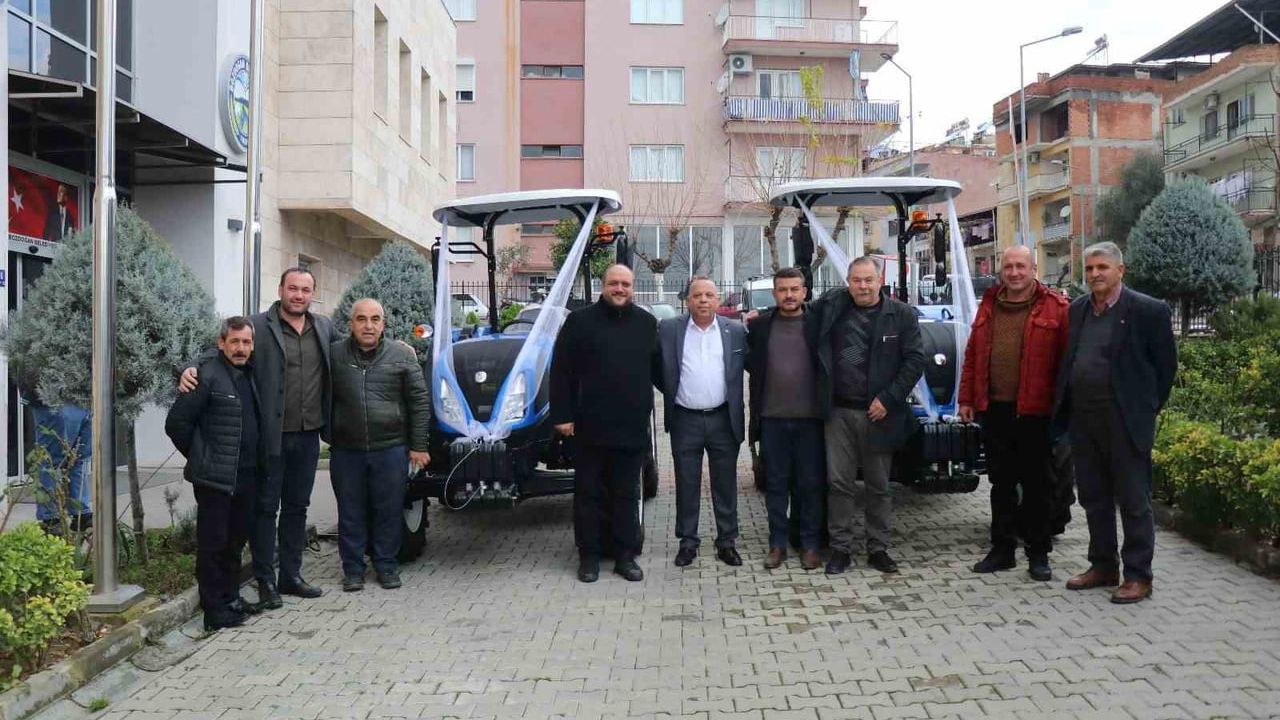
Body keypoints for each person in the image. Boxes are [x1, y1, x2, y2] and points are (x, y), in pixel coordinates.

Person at [180, 268, 333, 607]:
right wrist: (191, 367)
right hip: (270, 437)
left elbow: (348, 349)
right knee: (266, 509)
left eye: (305, 290)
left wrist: (401, 348)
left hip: (309, 436)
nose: (298, 295)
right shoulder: (256, 326)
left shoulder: (323, 327)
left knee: (298, 508)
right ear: (280, 289)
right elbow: (218, 348)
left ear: (312, 294)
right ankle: (266, 581)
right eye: (292, 288)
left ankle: (291, 575)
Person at [1054, 242, 1177, 604]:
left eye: (1102, 268)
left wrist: (1145, 407)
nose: (1094, 275)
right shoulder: (1077, 310)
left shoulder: (1147, 311)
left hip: (1125, 421)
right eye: (1089, 269)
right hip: (1084, 419)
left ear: (1120, 271)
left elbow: (1165, 368)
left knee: (1133, 500)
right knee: (1094, 497)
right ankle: (1103, 565)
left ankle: (1138, 575)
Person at [807, 256, 925, 575]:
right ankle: (841, 548)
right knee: (839, 483)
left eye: (868, 280)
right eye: (856, 280)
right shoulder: (833, 307)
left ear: (879, 280)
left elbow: (915, 360)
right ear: (848, 282)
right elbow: (798, 314)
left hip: (879, 413)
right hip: (838, 412)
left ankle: (878, 548)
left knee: (878, 484)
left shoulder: (899, 315)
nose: (862, 286)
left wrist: (888, 398)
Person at [958, 245, 1069, 581]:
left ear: (1034, 269)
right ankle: (1003, 550)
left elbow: (1066, 362)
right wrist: (966, 399)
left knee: (1038, 486)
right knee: (1000, 484)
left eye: (1022, 266)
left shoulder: (1057, 307)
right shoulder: (989, 305)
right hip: (995, 410)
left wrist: (1064, 409)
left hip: (1036, 411)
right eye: (1009, 267)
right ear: (1001, 271)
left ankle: (1038, 554)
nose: (1015, 273)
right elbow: (974, 354)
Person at [550, 264, 656, 583]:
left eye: (625, 284)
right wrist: (562, 416)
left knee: (627, 495)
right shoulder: (579, 322)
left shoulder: (647, 324)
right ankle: (589, 557)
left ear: (633, 288)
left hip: (632, 428)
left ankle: (625, 556)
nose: (620, 289)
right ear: (603, 286)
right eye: (614, 283)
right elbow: (561, 371)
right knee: (588, 495)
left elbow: (661, 370)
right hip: (588, 428)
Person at [165, 317, 266, 631]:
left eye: (246, 342)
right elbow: (176, 424)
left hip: (247, 476)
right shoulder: (206, 375)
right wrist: (201, 456)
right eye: (234, 342)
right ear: (221, 343)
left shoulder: (249, 373)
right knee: (213, 544)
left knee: (235, 542)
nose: (241, 348)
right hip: (216, 479)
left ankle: (231, 598)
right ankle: (213, 610)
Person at [327, 298, 430, 591]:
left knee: (388, 510)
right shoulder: (333, 355)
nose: (368, 326)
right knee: (350, 512)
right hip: (347, 450)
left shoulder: (401, 355)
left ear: (383, 324)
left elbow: (419, 402)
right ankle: (353, 570)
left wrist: (419, 445)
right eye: (361, 319)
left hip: (391, 448)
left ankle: (386, 566)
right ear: (351, 324)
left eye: (375, 319)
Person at [656, 277, 748, 568]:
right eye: (698, 295)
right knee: (686, 482)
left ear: (718, 300)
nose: (704, 300)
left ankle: (727, 542)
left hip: (723, 417)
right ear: (687, 299)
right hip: (685, 418)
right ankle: (688, 542)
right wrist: (673, 391)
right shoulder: (669, 329)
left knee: (725, 483)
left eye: (710, 295)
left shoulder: (735, 331)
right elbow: (657, 368)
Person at [746, 268, 823, 571]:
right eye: (782, 289)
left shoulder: (818, 324)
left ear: (804, 292)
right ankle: (777, 544)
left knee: (810, 486)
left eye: (795, 289)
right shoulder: (760, 326)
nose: (789, 295)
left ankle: (810, 545)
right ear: (774, 293)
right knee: (775, 486)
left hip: (811, 421)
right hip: (773, 421)